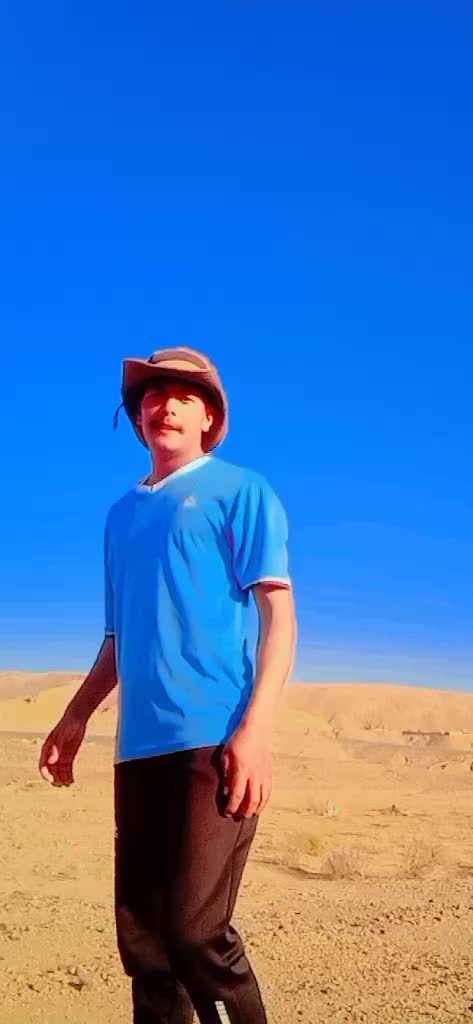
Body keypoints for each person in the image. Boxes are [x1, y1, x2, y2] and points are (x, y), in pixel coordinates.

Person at [39, 345, 297, 1024]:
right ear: (137, 415)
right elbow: (117, 640)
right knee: (147, 945)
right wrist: (75, 717)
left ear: (210, 416)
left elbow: (279, 616)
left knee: (196, 933)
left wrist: (256, 731)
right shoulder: (121, 515)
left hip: (215, 740)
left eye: (185, 396)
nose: (166, 405)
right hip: (138, 752)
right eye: (153, 395)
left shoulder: (241, 491)